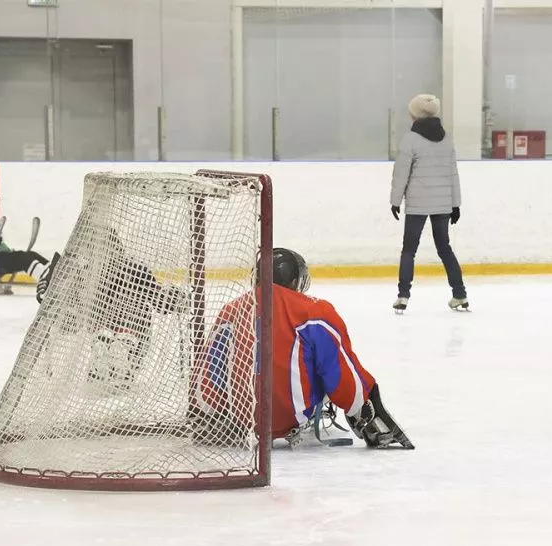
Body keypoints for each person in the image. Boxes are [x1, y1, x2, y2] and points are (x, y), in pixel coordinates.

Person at [196, 248, 413, 449]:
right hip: (291, 415)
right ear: (294, 281)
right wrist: (360, 404)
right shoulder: (315, 311)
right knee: (332, 364)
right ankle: (370, 422)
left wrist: (217, 412)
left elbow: (209, 374)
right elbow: (341, 376)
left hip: (242, 418)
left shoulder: (231, 310)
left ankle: (217, 421)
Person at [37, 229, 185, 391]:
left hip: (121, 336)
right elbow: (159, 301)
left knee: (117, 313)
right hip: (127, 339)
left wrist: (49, 296)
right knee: (114, 316)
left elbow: (69, 324)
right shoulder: (127, 269)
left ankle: (112, 353)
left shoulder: (89, 272)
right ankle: (117, 353)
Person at [389, 93, 467, 313]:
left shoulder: (410, 140)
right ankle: (459, 294)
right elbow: (453, 173)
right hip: (443, 204)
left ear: (414, 114)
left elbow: (400, 174)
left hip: (417, 204)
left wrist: (395, 201)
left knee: (409, 250)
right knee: (445, 248)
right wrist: (455, 204)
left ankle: (403, 296)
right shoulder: (447, 139)